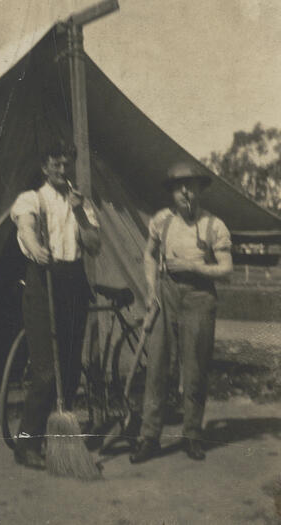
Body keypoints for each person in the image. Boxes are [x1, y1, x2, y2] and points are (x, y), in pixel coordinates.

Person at [130, 161, 233, 464]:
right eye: (179, 186)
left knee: (195, 369)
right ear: (172, 192)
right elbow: (149, 256)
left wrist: (193, 266)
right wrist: (151, 291)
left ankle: (192, 435)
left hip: (200, 296)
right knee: (157, 366)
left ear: (200, 189)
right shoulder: (161, 221)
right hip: (166, 294)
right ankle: (149, 437)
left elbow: (227, 269)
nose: (185, 191)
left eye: (191, 185)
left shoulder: (214, 225)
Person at [10, 139, 100, 469]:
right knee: (47, 371)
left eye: (67, 164)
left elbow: (94, 245)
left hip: (74, 283)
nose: (63, 170)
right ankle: (26, 443)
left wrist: (78, 210)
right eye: (56, 164)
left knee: (72, 367)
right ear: (45, 166)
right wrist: (36, 248)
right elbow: (26, 227)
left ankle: (58, 437)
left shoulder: (81, 202)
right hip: (42, 281)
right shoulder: (32, 198)